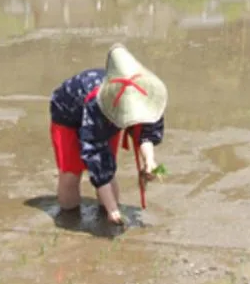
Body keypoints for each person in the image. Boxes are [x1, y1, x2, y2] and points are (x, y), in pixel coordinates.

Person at [49, 44, 167, 225]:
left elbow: (146, 134)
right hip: (68, 112)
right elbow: (95, 158)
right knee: (71, 173)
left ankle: (106, 212)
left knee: (109, 169)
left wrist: (149, 161)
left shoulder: (145, 95)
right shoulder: (100, 106)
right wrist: (113, 209)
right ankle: (69, 219)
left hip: (108, 116)